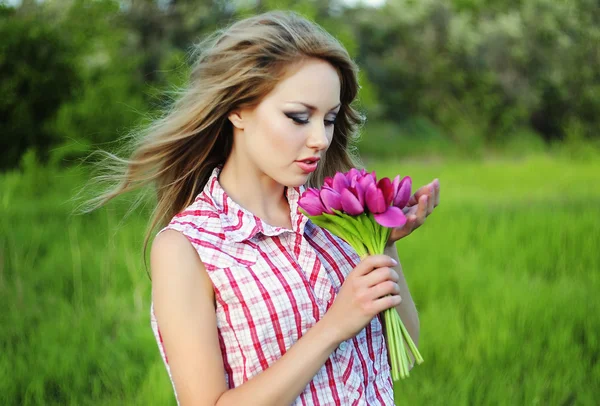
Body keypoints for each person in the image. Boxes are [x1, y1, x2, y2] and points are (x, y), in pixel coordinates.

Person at [86, 10, 439, 406]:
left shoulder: (337, 217)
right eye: (298, 117)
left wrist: (383, 243)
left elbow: (397, 356)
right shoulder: (188, 248)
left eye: (330, 119)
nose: (320, 139)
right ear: (237, 109)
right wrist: (333, 327)